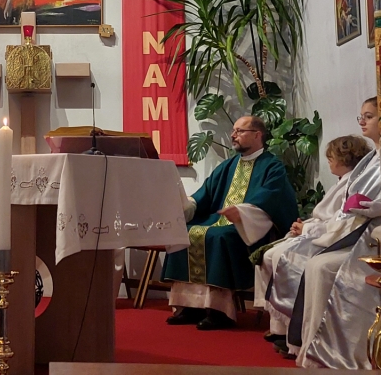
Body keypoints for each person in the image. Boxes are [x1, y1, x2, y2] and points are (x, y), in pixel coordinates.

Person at [162, 115, 298, 330]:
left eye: (239, 131)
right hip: (219, 221)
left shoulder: (272, 166)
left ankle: (219, 311)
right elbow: (205, 193)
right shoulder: (228, 165)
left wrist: (242, 212)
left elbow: (272, 197)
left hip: (250, 228)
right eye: (233, 131)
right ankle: (190, 306)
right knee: (185, 232)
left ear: (257, 135)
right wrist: (187, 204)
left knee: (219, 237)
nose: (233, 135)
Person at [285, 98, 381, 368]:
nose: (362, 122)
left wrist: (377, 207)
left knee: (320, 266)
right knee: (314, 263)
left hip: (371, 236)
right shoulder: (369, 159)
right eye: (361, 116)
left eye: (369, 116)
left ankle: (332, 351)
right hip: (356, 227)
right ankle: (312, 347)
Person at [256, 134, 371, 352]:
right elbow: (326, 217)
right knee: (272, 254)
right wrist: (304, 226)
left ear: (344, 158)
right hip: (319, 232)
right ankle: (280, 326)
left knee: (280, 257)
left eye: (331, 157)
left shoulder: (352, 183)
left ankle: (291, 328)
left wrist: (306, 229)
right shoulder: (344, 181)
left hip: (328, 237)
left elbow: (339, 223)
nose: (329, 161)